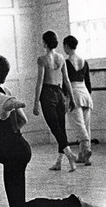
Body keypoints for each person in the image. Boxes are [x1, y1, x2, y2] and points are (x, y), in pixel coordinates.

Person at [0, 41, 98, 207]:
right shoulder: (6, 90)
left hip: (12, 152)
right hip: (19, 148)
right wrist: (3, 137)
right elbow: (22, 120)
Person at [33, 31, 78, 172]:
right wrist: (71, 97)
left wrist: (35, 103)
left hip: (47, 94)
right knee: (60, 128)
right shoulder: (61, 58)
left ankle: (69, 154)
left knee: (55, 128)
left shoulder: (42, 59)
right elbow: (66, 80)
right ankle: (60, 162)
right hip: (59, 93)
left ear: (45, 43)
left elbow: (39, 82)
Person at [63, 35, 93, 166]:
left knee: (79, 126)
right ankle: (83, 155)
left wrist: (66, 98)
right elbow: (88, 83)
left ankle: (86, 149)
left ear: (66, 46)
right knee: (86, 126)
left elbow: (66, 82)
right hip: (85, 93)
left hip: (74, 93)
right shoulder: (84, 61)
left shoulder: (66, 62)